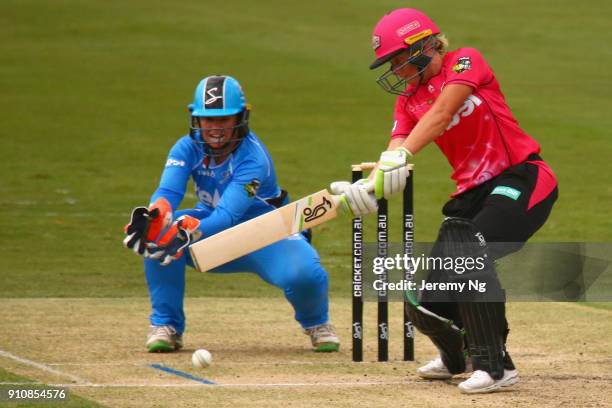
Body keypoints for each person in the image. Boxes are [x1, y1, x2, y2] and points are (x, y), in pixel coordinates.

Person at [334, 8, 558, 394]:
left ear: (423, 46)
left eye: (398, 59)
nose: (396, 70)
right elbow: (396, 148)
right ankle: (460, 358)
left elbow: (441, 115)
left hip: (520, 178)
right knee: (430, 302)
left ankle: (496, 366)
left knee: (470, 253)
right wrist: (370, 187)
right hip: (469, 197)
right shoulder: (406, 102)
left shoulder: (466, 61)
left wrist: (400, 158)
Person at [123, 75, 339, 354]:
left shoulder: (253, 157)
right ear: (196, 119)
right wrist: (157, 213)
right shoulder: (186, 147)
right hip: (211, 230)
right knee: (157, 237)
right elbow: (168, 191)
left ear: (241, 117)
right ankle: (167, 326)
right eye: (208, 120)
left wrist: (186, 231)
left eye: (224, 119)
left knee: (304, 274)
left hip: (267, 233)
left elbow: (227, 215)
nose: (215, 128)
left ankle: (317, 323)